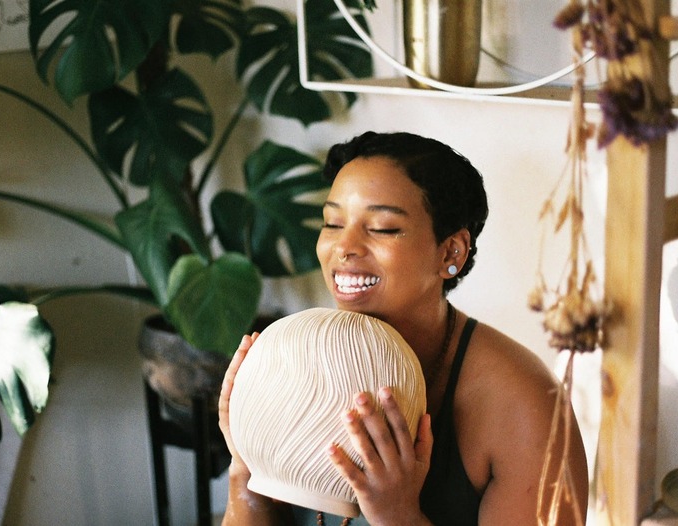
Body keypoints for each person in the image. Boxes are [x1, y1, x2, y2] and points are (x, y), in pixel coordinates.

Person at [218, 131, 589, 525]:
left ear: (450, 252)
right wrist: (246, 465)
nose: (344, 247)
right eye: (332, 222)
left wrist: (398, 515)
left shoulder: (523, 404)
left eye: (381, 228)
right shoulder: (291, 362)